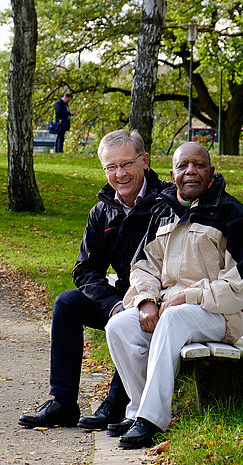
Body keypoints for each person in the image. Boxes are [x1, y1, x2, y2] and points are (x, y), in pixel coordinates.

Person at [105, 142, 243, 449]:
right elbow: (142, 266)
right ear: (172, 173)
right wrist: (146, 300)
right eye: (183, 166)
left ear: (211, 172)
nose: (190, 171)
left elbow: (239, 285)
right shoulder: (164, 211)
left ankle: (152, 420)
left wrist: (187, 297)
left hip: (222, 314)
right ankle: (138, 409)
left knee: (174, 319)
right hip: (168, 307)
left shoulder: (234, 216)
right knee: (119, 327)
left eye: (199, 165)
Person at [18, 129, 171, 431]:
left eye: (126, 164)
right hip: (122, 299)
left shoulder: (166, 204)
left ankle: (115, 405)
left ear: (145, 161)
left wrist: (143, 301)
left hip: (160, 301)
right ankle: (62, 403)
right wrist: (113, 304)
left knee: (133, 322)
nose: (119, 174)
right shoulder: (102, 211)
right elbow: (85, 269)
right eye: (111, 167)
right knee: (66, 303)